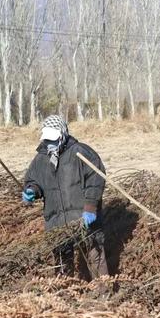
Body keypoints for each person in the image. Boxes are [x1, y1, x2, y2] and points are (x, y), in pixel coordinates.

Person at [22, 115, 109, 280]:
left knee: (95, 256)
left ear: (62, 134)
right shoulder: (40, 159)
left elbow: (96, 179)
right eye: (47, 139)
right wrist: (31, 191)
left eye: (53, 139)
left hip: (83, 218)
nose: (50, 143)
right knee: (62, 263)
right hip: (57, 223)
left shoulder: (81, 152)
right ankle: (65, 295)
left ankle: (104, 293)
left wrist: (90, 207)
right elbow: (34, 181)